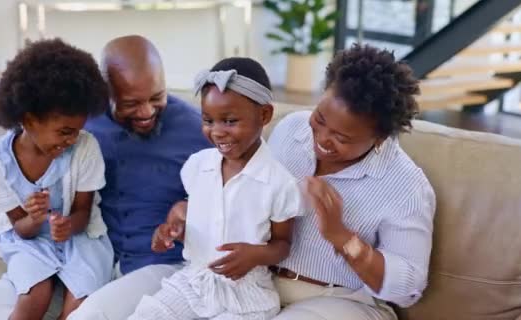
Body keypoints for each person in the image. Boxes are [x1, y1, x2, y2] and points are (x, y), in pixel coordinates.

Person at [0, 35, 210, 320]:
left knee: (90, 315)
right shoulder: (75, 125)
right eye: (131, 103)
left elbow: (234, 192)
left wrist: (187, 211)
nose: (146, 111)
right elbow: (20, 154)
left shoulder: (200, 130)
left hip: (155, 265)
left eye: (156, 97)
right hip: (81, 259)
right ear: (106, 94)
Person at [266, 44, 436, 320]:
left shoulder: (406, 186)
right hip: (261, 284)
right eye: (319, 119)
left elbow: (408, 289)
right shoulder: (290, 129)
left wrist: (342, 237)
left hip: (341, 301)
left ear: (380, 137)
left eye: (342, 138)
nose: (321, 139)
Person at [128, 57, 303, 320]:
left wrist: (255, 254)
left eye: (230, 121)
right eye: (208, 120)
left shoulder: (279, 183)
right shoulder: (197, 166)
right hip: (194, 281)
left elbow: (283, 244)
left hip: (245, 293)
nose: (217, 132)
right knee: (147, 314)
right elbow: (200, 218)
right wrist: (172, 231)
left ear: (264, 115)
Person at [0, 39, 114, 320]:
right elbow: (21, 229)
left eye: (77, 131)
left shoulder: (85, 148)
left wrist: (67, 226)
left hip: (80, 236)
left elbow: (83, 213)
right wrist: (34, 219)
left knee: (82, 302)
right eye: (64, 132)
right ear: (29, 119)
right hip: (28, 240)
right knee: (35, 293)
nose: (72, 140)